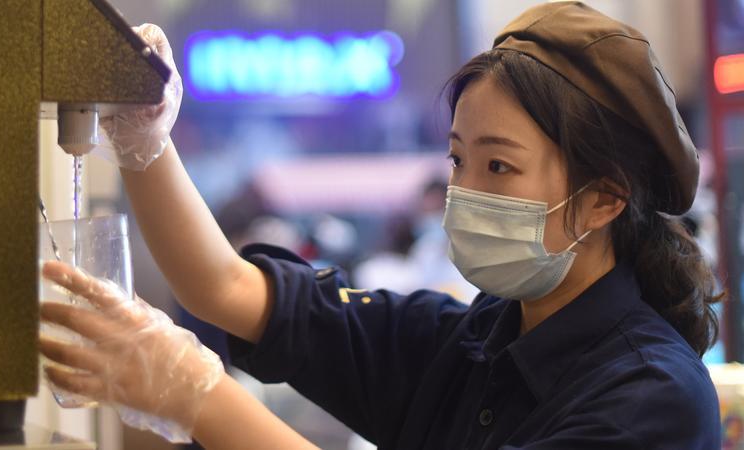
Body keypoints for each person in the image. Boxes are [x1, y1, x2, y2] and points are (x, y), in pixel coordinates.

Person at [38, 2, 723, 448]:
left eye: (499, 167)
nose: (464, 193)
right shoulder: (468, 344)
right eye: (457, 160)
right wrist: (145, 140)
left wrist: (198, 395)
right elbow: (225, 288)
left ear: (605, 199)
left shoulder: (651, 399)